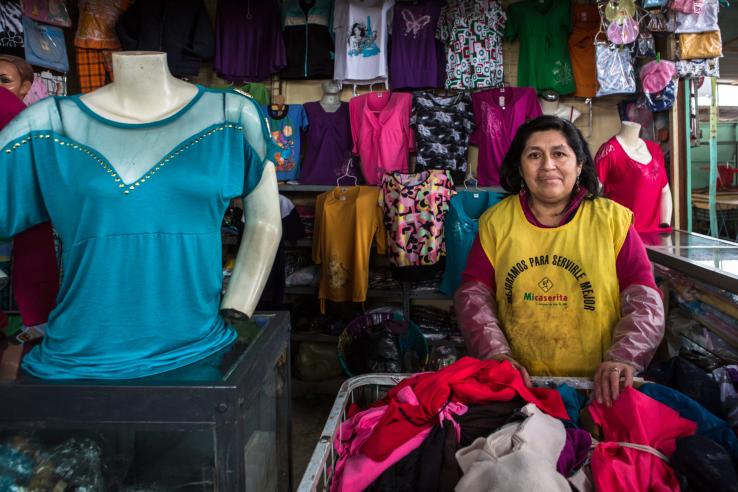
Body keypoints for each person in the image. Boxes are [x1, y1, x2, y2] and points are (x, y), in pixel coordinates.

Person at [455, 115, 665, 407]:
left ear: (579, 165)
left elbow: (644, 299)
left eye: (559, 154)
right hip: (519, 387)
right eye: (534, 155)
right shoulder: (496, 222)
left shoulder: (612, 220)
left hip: (599, 389)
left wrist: (623, 358)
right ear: (520, 167)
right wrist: (496, 356)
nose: (547, 166)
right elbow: (473, 297)